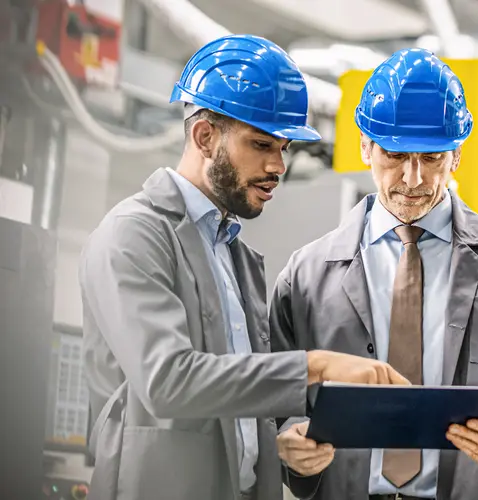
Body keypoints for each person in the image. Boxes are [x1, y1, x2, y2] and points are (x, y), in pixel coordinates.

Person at [79, 35, 408, 500]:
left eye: (284, 148)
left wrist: (278, 446)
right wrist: (313, 366)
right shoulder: (134, 234)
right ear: (204, 136)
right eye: (261, 145)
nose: (278, 166)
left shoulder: (235, 255)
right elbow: (169, 381)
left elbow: (230, 406)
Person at [270, 48, 478, 500]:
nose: (413, 178)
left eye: (432, 158)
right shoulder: (306, 275)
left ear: (457, 156)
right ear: (365, 146)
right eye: (395, 154)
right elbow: (269, 399)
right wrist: (286, 445)